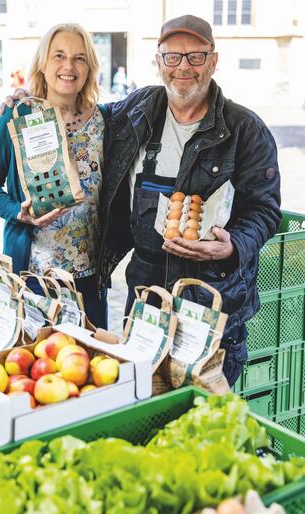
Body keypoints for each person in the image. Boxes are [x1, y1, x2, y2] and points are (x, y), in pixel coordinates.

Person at [97, 14, 282, 386]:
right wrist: (32, 102)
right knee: (143, 410)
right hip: (147, 302)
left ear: (213, 61)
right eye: (173, 57)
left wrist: (233, 247)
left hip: (212, 303)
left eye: (196, 56)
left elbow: (264, 209)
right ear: (158, 61)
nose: (184, 67)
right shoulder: (135, 113)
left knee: (202, 417)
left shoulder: (245, 129)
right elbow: (83, 115)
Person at [0, 23, 108, 329]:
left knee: (95, 366)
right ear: (42, 65)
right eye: (58, 56)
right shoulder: (18, 117)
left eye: (80, 58)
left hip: (90, 280)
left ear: (89, 67)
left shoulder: (103, 121)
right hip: (34, 277)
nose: (68, 66)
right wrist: (18, 214)